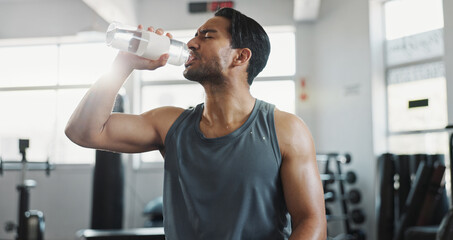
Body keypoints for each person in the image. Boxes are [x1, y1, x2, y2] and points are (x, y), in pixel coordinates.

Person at [66, 7, 326, 240]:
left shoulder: (286, 130)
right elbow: (83, 132)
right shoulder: (169, 124)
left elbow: (311, 222)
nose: (191, 43)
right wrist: (123, 65)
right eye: (195, 35)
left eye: (207, 36)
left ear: (240, 57)